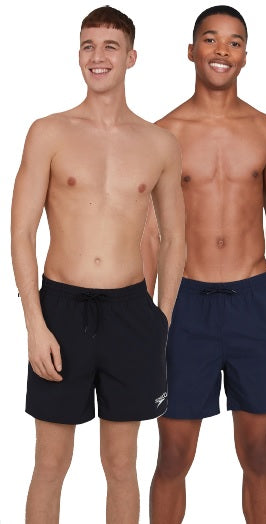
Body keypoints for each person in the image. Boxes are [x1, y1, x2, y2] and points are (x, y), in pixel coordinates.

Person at [10, 6, 185, 523]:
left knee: (122, 465)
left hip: (130, 312)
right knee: (50, 464)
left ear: (131, 57)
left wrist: (162, 318)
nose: (98, 55)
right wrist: (34, 323)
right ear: (78, 55)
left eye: (110, 46)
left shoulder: (158, 143)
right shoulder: (49, 132)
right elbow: (21, 232)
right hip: (61, 309)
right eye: (88, 45)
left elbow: (175, 238)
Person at [143, 6, 266, 523]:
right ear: (192, 50)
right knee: (173, 455)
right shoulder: (163, 133)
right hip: (185, 302)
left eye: (234, 42)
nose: (222, 50)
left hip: (256, 299)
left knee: (258, 452)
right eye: (210, 39)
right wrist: (147, 313)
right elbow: (151, 232)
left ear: (245, 56)